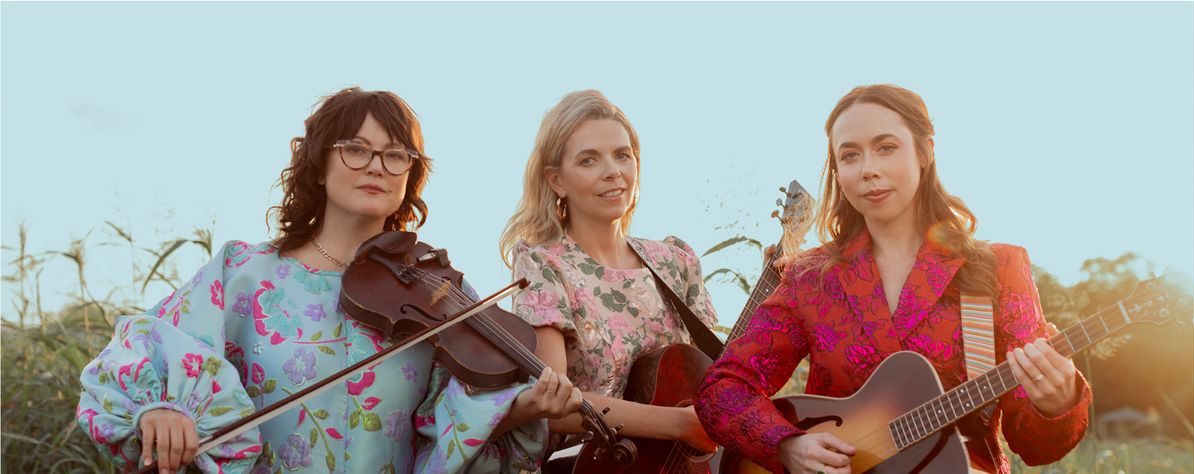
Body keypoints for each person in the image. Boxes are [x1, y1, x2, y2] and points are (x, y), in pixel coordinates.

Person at [76, 87, 581, 474]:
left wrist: (519, 411)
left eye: (395, 155)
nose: (376, 167)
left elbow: (453, 430)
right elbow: (148, 351)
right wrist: (161, 410)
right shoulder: (242, 273)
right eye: (356, 149)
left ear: (410, 175)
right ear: (319, 165)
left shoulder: (438, 293)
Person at [694, 84, 1092, 474]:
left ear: (925, 151)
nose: (869, 169)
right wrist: (787, 444)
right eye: (850, 155)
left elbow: (1036, 448)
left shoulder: (999, 268)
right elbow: (723, 388)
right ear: (838, 171)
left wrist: (1056, 401)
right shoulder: (809, 277)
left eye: (886, 147)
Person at [498, 90, 720, 471]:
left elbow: (715, 376)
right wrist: (680, 424)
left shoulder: (675, 261)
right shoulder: (544, 265)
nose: (613, 171)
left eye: (622, 155)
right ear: (556, 181)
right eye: (589, 160)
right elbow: (555, 408)